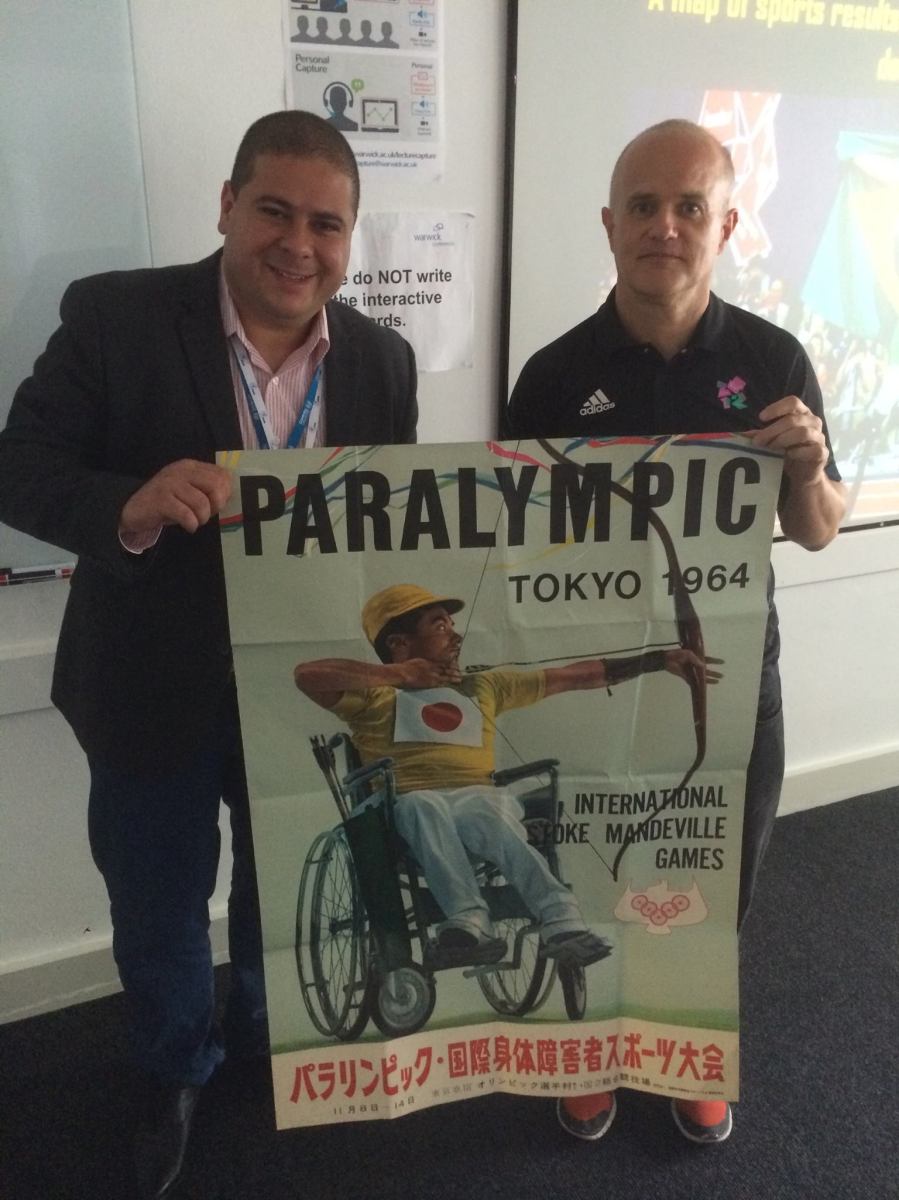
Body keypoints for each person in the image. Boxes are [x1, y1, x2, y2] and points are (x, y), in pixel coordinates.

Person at [0, 111, 417, 1199]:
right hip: (151, 686)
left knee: (288, 879)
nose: (298, 245)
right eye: (274, 211)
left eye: (326, 224)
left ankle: (273, 1029)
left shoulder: (382, 360)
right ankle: (175, 1065)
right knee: (158, 901)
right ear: (228, 205)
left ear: (350, 237)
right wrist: (126, 505)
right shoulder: (116, 317)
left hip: (306, 693)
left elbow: (392, 529)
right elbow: (19, 465)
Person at [504, 118, 846, 1146]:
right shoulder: (550, 375)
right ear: (608, 223)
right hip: (599, 680)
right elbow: (511, 546)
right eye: (643, 206)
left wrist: (805, 463)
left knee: (714, 879)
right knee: (590, 871)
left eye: (688, 206)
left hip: (730, 678)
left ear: (725, 225)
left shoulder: (773, 358)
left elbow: (816, 529)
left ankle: (683, 1050)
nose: (664, 226)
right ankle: (590, 1052)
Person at [294, 583, 719, 966]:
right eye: (440, 625)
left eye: (452, 625)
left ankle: (561, 919)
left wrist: (659, 660)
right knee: (424, 804)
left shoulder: (484, 687)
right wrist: (397, 675)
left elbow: (574, 676)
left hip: (476, 798)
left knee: (490, 810)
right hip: (407, 810)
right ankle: (468, 921)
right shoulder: (373, 697)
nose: (455, 635)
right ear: (400, 643)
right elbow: (306, 675)